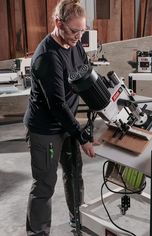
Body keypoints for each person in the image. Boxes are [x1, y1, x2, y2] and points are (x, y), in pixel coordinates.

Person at [23, 0, 95, 235]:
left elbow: (86, 75)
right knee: (44, 184)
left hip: (67, 124)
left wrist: (109, 97)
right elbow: (57, 105)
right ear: (58, 23)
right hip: (46, 129)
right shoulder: (47, 57)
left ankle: (78, 219)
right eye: (74, 31)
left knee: (74, 174)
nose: (78, 36)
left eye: (82, 30)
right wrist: (82, 136)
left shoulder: (75, 45)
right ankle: (38, 233)